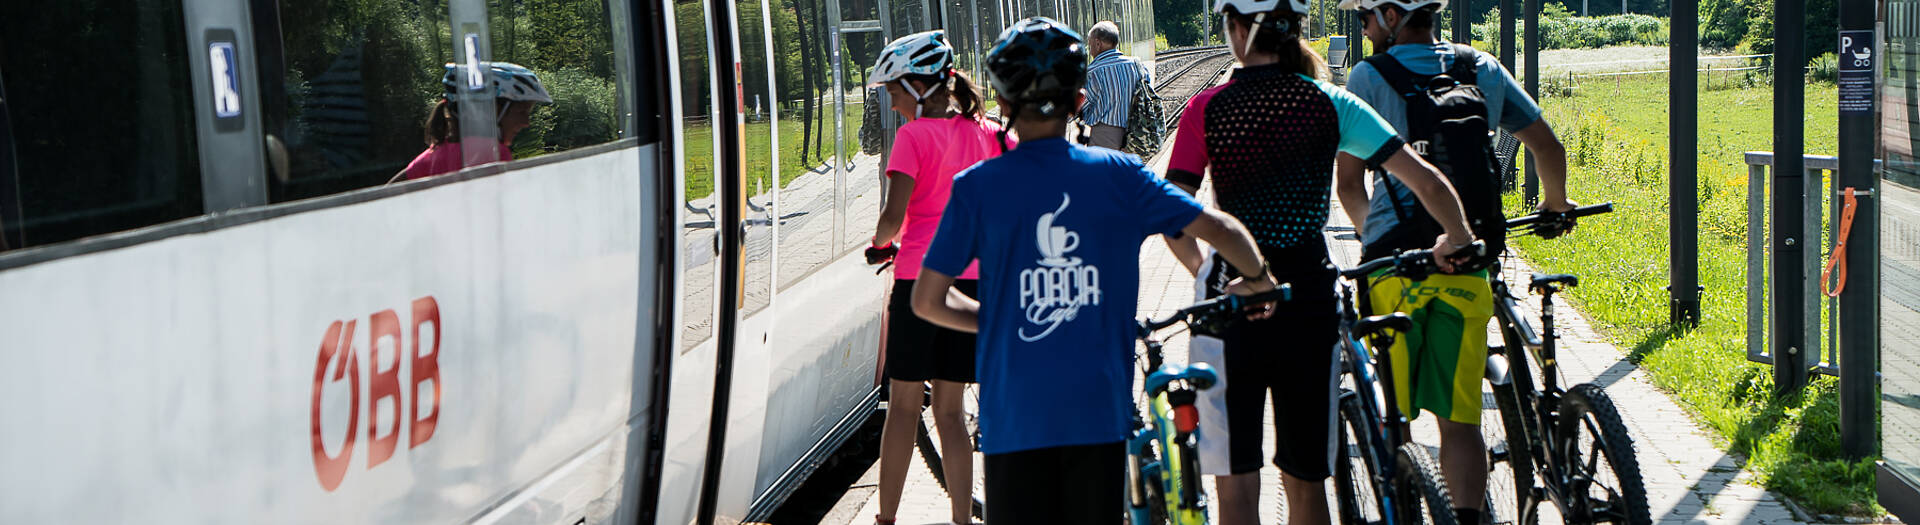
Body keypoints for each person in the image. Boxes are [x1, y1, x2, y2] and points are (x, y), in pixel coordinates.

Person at [909, 17, 1279, 524]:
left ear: (1002, 104)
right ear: (1079, 100)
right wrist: (1258, 279)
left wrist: (999, 319)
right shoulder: (1121, 176)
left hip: (1012, 420)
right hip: (1098, 416)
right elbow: (1224, 231)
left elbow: (928, 300)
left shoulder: (976, 186)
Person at [1159, 0, 1478, 523]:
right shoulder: (1329, 102)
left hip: (1229, 302)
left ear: (1237, 28)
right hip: (1308, 298)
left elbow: (1175, 216)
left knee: (1235, 484)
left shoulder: (1207, 108)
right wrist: (1457, 235)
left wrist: (1204, 273)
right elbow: (1425, 179)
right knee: (1307, 479)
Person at [1332, 1, 1576, 522]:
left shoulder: (1368, 76)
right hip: (1468, 262)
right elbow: (1547, 147)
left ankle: (1406, 500)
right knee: (1460, 421)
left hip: (1395, 269)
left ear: (1393, 16)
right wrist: (1555, 203)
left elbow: (1349, 185)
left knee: (1393, 417)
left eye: (1367, 17)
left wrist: (1373, 236)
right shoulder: (1480, 68)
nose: (1364, 27)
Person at [862, 29, 1007, 525]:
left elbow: (891, 217)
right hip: (973, 284)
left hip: (919, 283)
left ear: (921, 87)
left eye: (895, 91)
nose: (894, 103)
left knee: (904, 405)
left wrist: (880, 245)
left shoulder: (913, 137)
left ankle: (885, 519)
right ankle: (962, 520)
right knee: (950, 411)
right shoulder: (988, 132)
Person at [396, 62, 551, 181]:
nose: (526, 122)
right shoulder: (493, 153)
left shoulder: (434, 154)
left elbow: (388, 192)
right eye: (521, 112)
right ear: (490, 110)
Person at [1080, 21, 1147, 151]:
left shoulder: (1094, 71)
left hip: (1105, 134)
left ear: (1098, 43)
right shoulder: (1136, 65)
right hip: (1137, 131)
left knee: (1103, 170)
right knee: (1127, 169)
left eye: (1090, 44)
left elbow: (1082, 103)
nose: (1090, 49)